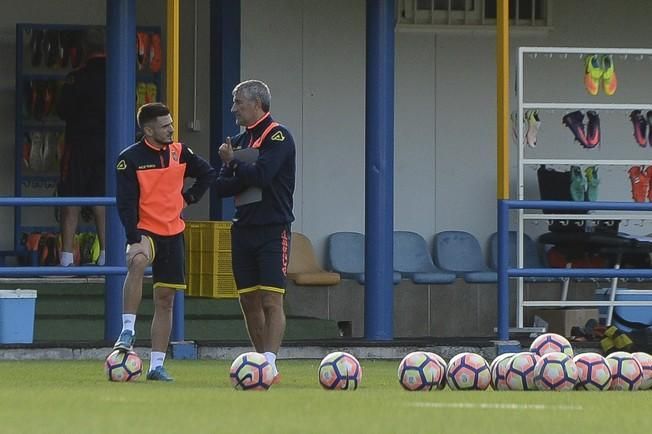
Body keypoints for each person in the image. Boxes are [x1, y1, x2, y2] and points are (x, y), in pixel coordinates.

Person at [113, 103, 216, 381]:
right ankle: (127, 330)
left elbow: (208, 173)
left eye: (171, 123)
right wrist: (133, 238)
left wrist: (189, 198)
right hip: (146, 230)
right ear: (148, 130)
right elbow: (125, 203)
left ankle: (156, 366)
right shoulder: (129, 159)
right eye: (165, 125)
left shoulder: (180, 152)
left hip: (173, 231)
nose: (171, 128)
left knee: (166, 300)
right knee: (136, 260)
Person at [215, 80, 296, 382]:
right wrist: (236, 166)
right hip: (243, 228)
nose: (233, 108)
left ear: (257, 103)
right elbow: (222, 186)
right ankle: (261, 363)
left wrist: (234, 163)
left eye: (238, 102)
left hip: (273, 228)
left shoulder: (278, 136)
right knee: (248, 299)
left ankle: (270, 363)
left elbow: (263, 176)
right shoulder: (237, 141)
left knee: (271, 300)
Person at [56, 27, 106, 266]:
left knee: (71, 197)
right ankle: (107, 256)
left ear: (82, 50)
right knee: (104, 198)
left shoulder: (77, 77)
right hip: (110, 145)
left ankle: (66, 259)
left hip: (78, 145)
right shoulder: (120, 76)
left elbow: (62, 110)